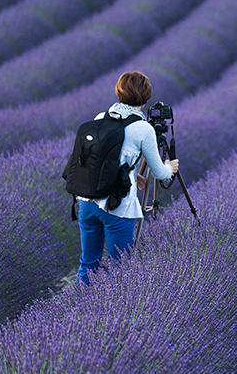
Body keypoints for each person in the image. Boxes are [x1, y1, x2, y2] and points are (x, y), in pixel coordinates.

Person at [76, 71, 179, 284]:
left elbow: (106, 159)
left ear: (119, 92)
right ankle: (111, 313)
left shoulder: (100, 118)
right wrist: (170, 167)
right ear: (146, 97)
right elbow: (160, 174)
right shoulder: (144, 129)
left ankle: (77, 312)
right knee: (120, 268)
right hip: (117, 207)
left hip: (87, 202)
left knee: (88, 263)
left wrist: (133, 175)